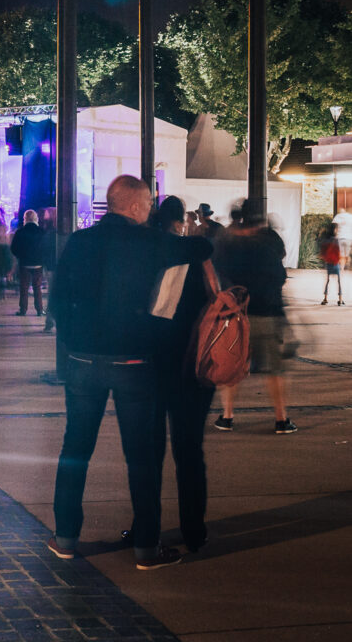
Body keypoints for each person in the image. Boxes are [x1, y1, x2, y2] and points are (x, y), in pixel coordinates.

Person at [47, 175, 212, 570]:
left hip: (84, 361)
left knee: (75, 450)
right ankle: (146, 549)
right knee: (140, 457)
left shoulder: (79, 242)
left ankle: (66, 536)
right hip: (135, 362)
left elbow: (56, 301)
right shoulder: (153, 243)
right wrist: (197, 229)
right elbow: (202, 247)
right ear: (137, 206)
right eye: (148, 205)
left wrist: (74, 344)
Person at [148, 195, 213, 553]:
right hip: (193, 364)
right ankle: (193, 531)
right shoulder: (196, 250)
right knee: (189, 451)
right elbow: (204, 246)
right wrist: (198, 233)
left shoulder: (144, 250)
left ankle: (147, 527)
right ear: (179, 222)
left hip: (151, 365)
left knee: (149, 452)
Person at [212, 199, 297, 434]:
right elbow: (280, 264)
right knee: (274, 370)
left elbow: (218, 272)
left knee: (233, 368)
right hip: (268, 313)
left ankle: (227, 417)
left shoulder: (229, 242)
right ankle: (281, 419)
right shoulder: (270, 239)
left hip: (237, 314)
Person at [10, 209, 46, 317]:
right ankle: (40, 310)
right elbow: (46, 247)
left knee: (24, 288)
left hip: (24, 263)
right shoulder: (41, 231)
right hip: (38, 264)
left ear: (25, 219)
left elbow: (14, 248)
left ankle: (23, 309)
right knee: (37, 287)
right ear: (36, 219)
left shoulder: (20, 232)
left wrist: (20, 256)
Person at [319, 223, 344, 306]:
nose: (337, 230)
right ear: (334, 230)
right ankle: (340, 300)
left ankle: (325, 298)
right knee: (339, 281)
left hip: (328, 263)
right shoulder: (336, 240)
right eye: (337, 229)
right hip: (335, 264)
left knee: (328, 281)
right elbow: (338, 252)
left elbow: (323, 253)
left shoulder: (325, 240)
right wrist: (340, 262)